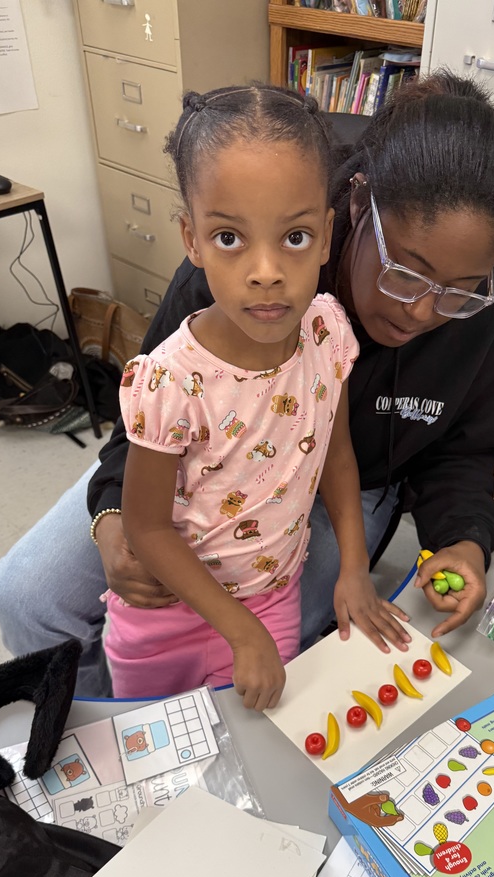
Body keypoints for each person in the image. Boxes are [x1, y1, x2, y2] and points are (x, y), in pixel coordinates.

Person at [0, 70, 494, 699]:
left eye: (457, 291)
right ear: (354, 213)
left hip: (336, 484)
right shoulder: (251, 259)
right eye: (405, 273)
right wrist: (113, 516)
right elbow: (142, 430)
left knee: (266, 670)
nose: (420, 311)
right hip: (189, 471)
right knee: (29, 598)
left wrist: (463, 540)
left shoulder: (474, 302)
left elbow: (460, 446)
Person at [105, 84, 408, 710]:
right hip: (163, 621)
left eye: (294, 238)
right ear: (191, 240)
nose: (266, 270)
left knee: (258, 753)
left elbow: (337, 457)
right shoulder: (169, 379)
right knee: (159, 770)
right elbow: (146, 525)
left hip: (272, 600)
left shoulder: (328, 333)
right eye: (229, 238)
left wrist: (354, 567)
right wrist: (237, 633)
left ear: (326, 238)